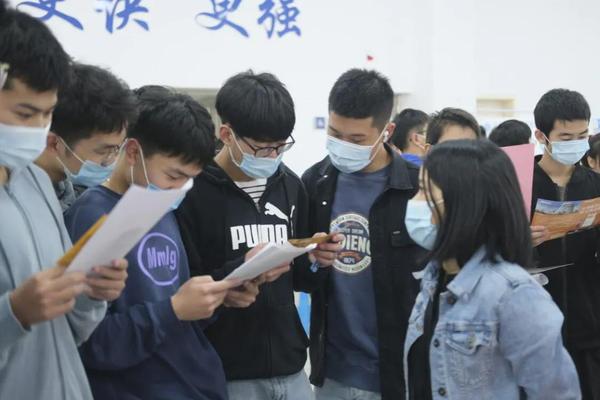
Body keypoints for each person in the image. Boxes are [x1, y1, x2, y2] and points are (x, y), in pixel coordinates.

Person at [64, 86, 261, 399]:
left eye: (190, 179)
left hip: (192, 383)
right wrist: (174, 310)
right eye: (173, 175)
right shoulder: (91, 216)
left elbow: (173, 305)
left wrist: (222, 291)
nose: (180, 188)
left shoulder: (160, 206)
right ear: (133, 152)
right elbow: (90, 342)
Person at [177, 71, 339, 400]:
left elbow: (301, 280)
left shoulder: (291, 186)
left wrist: (316, 261)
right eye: (263, 148)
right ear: (227, 134)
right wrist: (230, 282)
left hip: (290, 367)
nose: (273, 157)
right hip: (226, 372)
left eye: (281, 146)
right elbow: (183, 284)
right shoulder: (192, 193)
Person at [0, 4, 128, 399]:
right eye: (25, 113)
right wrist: (13, 313)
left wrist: (91, 292)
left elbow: (69, 334)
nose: (38, 130)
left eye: (48, 115)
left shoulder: (37, 183)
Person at [404, 139, 580, 399]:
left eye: (424, 191)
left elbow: (556, 393)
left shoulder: (514, 294)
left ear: (465, 203)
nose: (414, 202)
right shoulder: (433, 277)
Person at [301, 69, 427, 400]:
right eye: (334, 134)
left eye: (356, 140)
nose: (343, 146)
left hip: (400, 373)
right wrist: (311, 260)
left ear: (387, 131)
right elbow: (302, 276)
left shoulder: (419, 187)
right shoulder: (314, 183)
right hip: (335, 373)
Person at [530, 88, 600, 400]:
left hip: (587, 319)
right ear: (541, 136)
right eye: (566, 137)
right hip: (534, 320)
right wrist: (516, 238)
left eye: (582, 135)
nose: (576, 143)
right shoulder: (518, 184)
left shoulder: (595, 184)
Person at [35, 62, 137, 211]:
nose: (112, 161)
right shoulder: (17, 196)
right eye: (104, 151)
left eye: (117, 148)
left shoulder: (64, 188)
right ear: (54, 143)